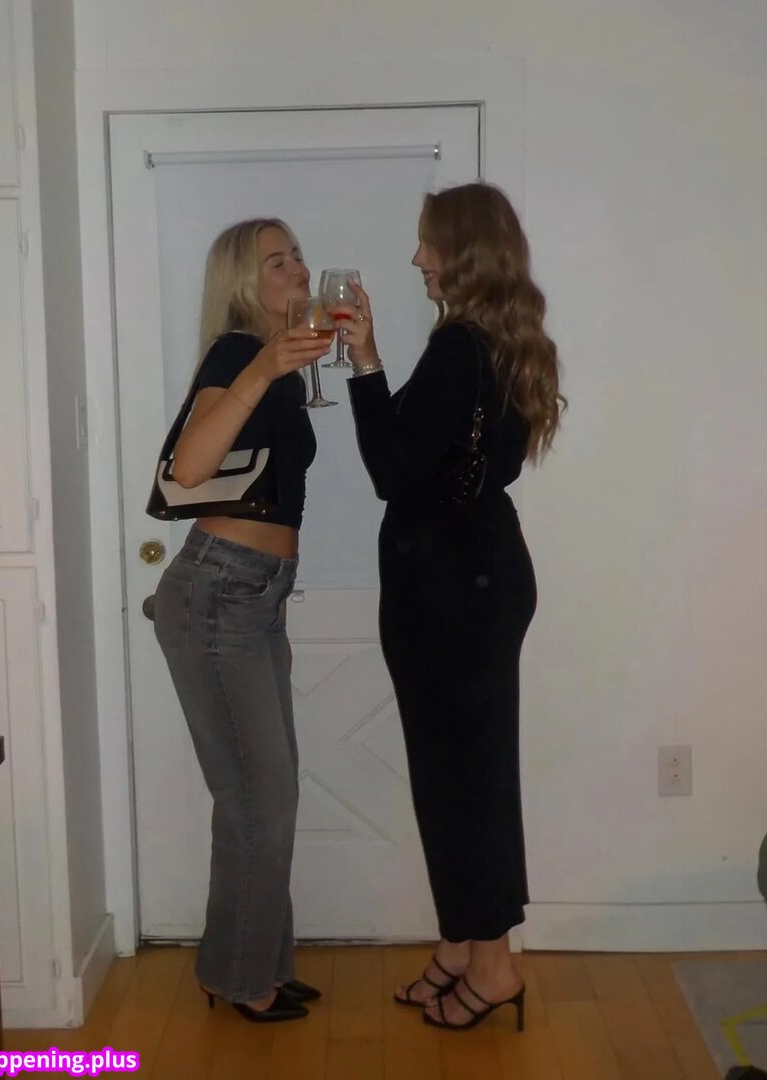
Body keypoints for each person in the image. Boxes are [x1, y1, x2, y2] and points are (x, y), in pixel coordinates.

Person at [341, 182, 565, 1031]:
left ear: (463, 252)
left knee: (461, 781)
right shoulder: (499, 340)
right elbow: (430, 456)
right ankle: (466, 946)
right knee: (465, 774)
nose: (417, 259)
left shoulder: (461, 347)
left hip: (450, 590)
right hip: (473, 578)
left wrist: (365, 362)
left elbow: (391, 470)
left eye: (428, 243)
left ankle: (494, 966)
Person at [152, 218, 332, 1023]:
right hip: (220, 592)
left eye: (297, 255)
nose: (298, 268)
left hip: (255, 597)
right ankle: (244, 977)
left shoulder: (278, 363)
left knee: (255, 796)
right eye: (277, 261)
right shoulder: (237, 355)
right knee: (264, 796)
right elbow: (189, 468)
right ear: (242, 283)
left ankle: (249, 964)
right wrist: (264, 366)